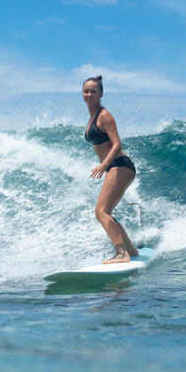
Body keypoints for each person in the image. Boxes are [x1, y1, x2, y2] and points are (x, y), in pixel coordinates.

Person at [82, 75, 139, 264]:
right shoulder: (92, 117)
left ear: (101, 94)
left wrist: (104, 165)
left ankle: (121, 254)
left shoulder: (104, 115)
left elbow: (116, 144)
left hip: (120, 164)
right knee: (106, 212)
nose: (89, 94)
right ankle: (130, 250)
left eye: (93, 91)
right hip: (114, 167)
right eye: (86, 91)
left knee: (101, 212)